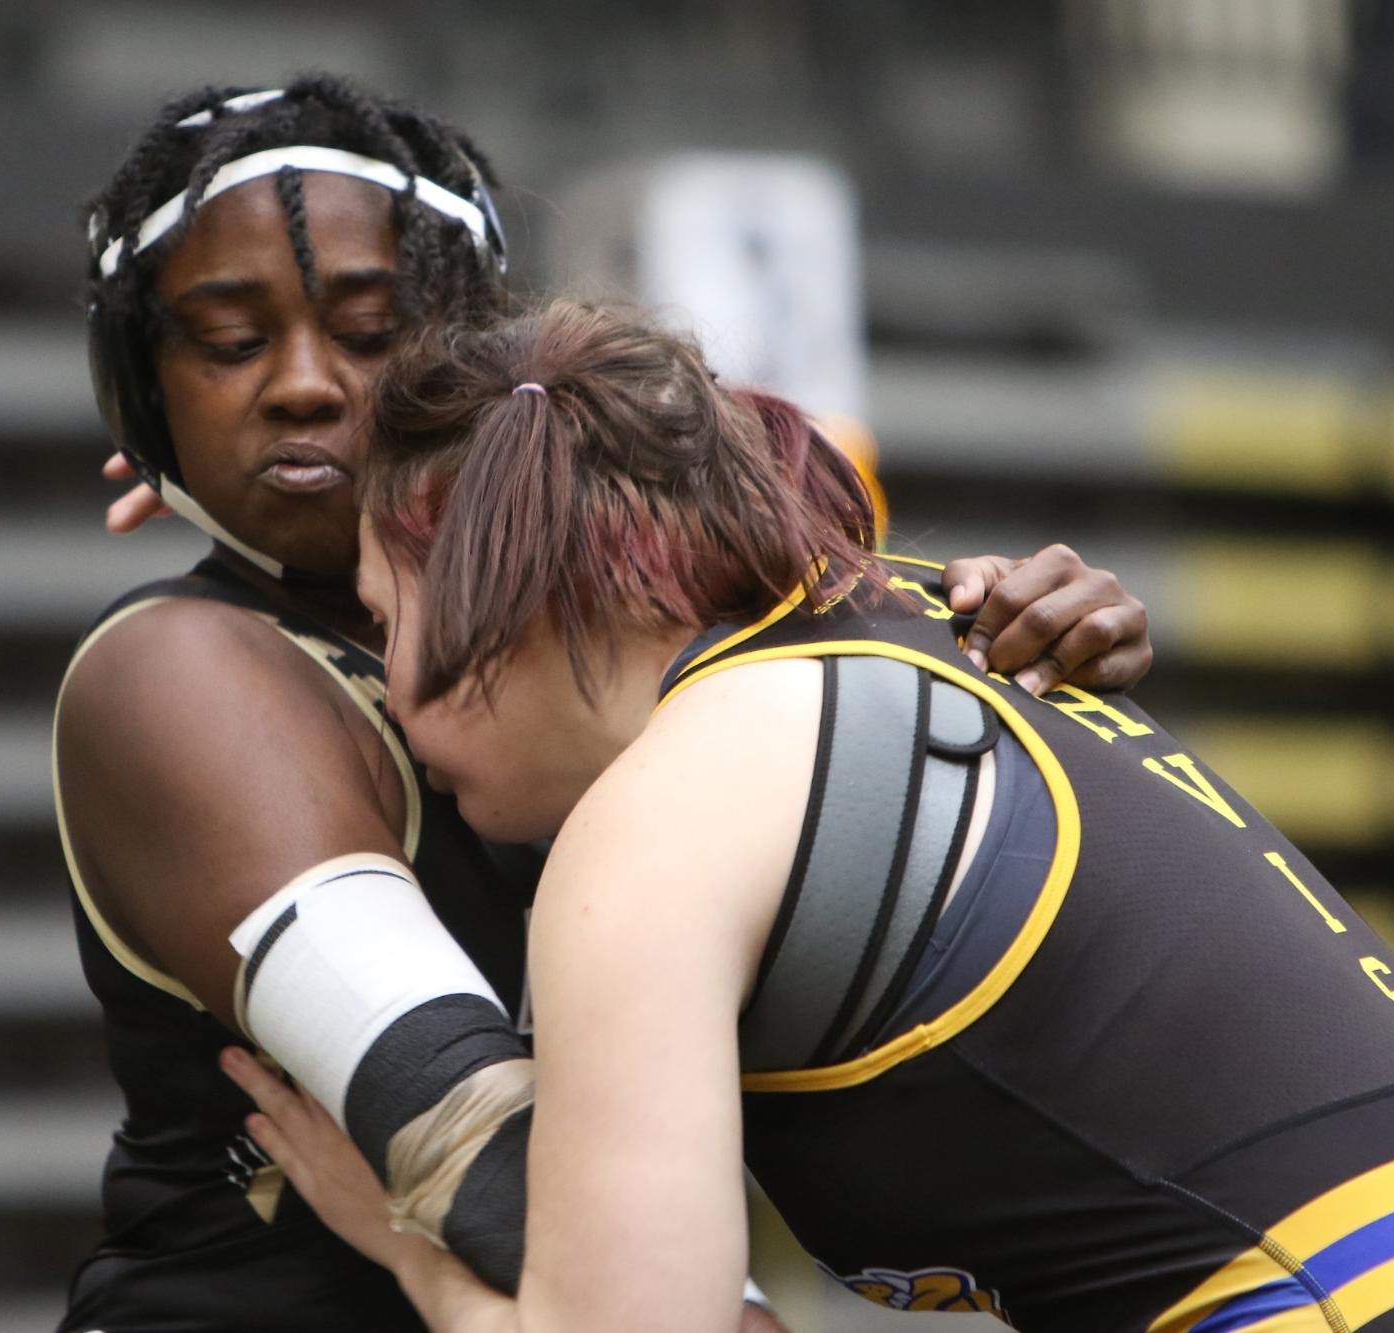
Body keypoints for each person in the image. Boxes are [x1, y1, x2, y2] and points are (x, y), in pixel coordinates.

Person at [56, 75, 1156, 1332]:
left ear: (469, 354)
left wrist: (987, 644)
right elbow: (482, 1154)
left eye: (368, 334)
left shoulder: (578, 636)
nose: (303, 385)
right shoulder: (180, 674)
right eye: (230, 342)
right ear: (140, 387)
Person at [222, 300, 1394, 1332]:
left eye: (388, 626)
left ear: (507, 587)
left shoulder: (658, 823)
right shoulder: (922, 614)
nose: (384, 692)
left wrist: (416, 1249)